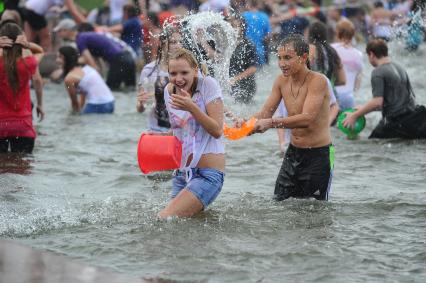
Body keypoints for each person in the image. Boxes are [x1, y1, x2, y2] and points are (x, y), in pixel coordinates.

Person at [241, 34, 334, 201]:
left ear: (303, 57)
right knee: (279, 203)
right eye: (279, 58)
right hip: (293, 154)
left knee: (314, 212)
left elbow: (307, 119)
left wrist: (270, 123)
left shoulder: (318, 81)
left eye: (287, 58)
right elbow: (265, 113)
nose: (281, 64)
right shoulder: (280, 81)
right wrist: (246, 124)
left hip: (319, 156)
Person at [157, 48, 225, 218]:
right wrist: (156, 143)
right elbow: (180, 130)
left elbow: (217, 130)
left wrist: (192, 107)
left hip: (208, 174)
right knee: (181, 232)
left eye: (184, 72)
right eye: (173, 73)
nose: (178, 78)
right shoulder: (169, 91)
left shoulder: (208, 85)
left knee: (164, 219)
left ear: (195, 70)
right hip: (182, 173)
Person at [343, 39, 426, 139]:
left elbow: (377, 102)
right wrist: (363, 109)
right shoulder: (399, 68)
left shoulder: (378, 72)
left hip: (396, 123)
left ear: (371, 54)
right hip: (415, 120)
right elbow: (395, 103)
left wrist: (355, 115)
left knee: (370, 145)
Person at [0, 22, 44, 154]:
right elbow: (41, 51)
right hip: (23, 126)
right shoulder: (29, 62)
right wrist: (40, 104)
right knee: (22, 169)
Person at [55, 21, 136, 90]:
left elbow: (92, 63)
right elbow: (97, 61)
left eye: (59, 31)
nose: (58, 34)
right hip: (128, 57)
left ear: (67, 30)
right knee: (130, 89)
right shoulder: (86, 36)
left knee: (111, 90)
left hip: (119, 60)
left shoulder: (80, 40)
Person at [137, 27, 182, 132]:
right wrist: (141, 103)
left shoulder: (188, 70)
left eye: (181, 42)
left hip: (182, 131)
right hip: (156, 130)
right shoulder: (149, 71)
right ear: (163, 44)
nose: (178, 45)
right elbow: (141, 108)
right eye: (173, 42)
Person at [58, 46, 115, 114]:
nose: (57, 60)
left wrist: (73, 116)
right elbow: (83, 92)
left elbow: (74, 103)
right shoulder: (85, 67)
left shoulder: (69, 79)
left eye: (60, 57)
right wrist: (81, 109)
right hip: (111, 103)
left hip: (98, 105)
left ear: (67, 59)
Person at [331, 19, 363, 111]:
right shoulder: (358, 54)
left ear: (337, 33)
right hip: (349, 97)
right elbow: (358, 81)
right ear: (353, 34)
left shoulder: (332, 49)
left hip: (333, 97)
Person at [228, 16, 258, 103]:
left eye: (236, 26)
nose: (234, 29)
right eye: (232, 26)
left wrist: (235, 79)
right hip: (232, 85)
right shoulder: (227, 44)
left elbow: (253, 68)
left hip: (246, 86)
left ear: (243, 28)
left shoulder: (248, 45)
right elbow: (217, 58)